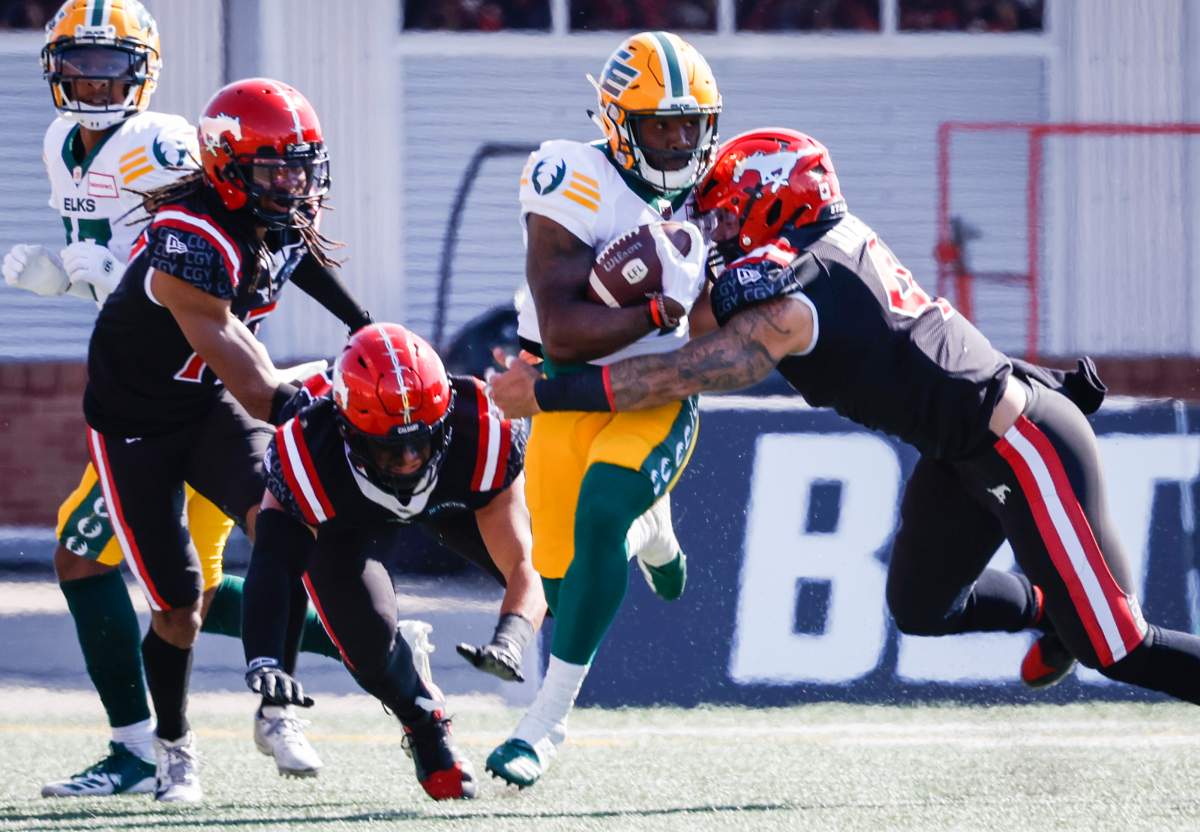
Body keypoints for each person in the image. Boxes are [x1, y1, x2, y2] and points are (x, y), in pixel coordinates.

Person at [491, 127, 1200, 713]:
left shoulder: (798, 297)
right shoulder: (817, 250)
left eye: (731, 213)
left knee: (1119, 646)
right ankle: (1050, 609)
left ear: (773, 203)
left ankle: (1078, 623)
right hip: (960, 454)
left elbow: (680, 371)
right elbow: (699, 321)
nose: (719, 230)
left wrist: (551, 393)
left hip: (1022, 445)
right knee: (923, 607)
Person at [2, 0, 341, 798]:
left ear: (145, 70)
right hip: (142, 380)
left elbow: (226, 255)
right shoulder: (63, 142)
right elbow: (116, 256)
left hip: (195, 386)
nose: (92, 80)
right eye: (79, 64)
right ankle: (360, 644)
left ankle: (151, 745)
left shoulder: (165, 144)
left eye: (110, 64)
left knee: (134, 575)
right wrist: (74, 272)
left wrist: (88, 274)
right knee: (169, 586)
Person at [81, 75, 373, 802]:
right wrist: (351, 388)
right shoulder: (190, 244)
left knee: (288, 525)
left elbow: (298, 258)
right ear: (226, 166)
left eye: (300, 167)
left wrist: (366, 328)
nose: (291, 184)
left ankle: (278, 707)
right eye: (273, 168)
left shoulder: (271, 216)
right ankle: (173, 748)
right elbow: (264, 394)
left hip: (207, 407)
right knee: (179, 606)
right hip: (138, 428)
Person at [483, 31, 719, 790]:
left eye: (691, 123)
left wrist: (692, 310)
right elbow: (561, 329)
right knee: (561, 574)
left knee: (603, 507)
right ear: (620, 121)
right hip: (571, 385)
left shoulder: (718, 191)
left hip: (657, 389)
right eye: (661, 124)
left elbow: (724, 324)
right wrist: (658, 301)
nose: (680, 139)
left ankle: (542, 726)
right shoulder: (571, 174)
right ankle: (655, 533)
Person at [241, 322, 547, 801]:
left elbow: (526, 564)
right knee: (367, 648)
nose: (407, 459)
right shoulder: (307, 450)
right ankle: (424, 722)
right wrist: (264, 655)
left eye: (419, 442)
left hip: (451, 504)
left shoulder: (483, 427)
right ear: (346, 429)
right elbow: (275, 564)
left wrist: (512, 638)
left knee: (565, 586)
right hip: (346, 523)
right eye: (389, 447)